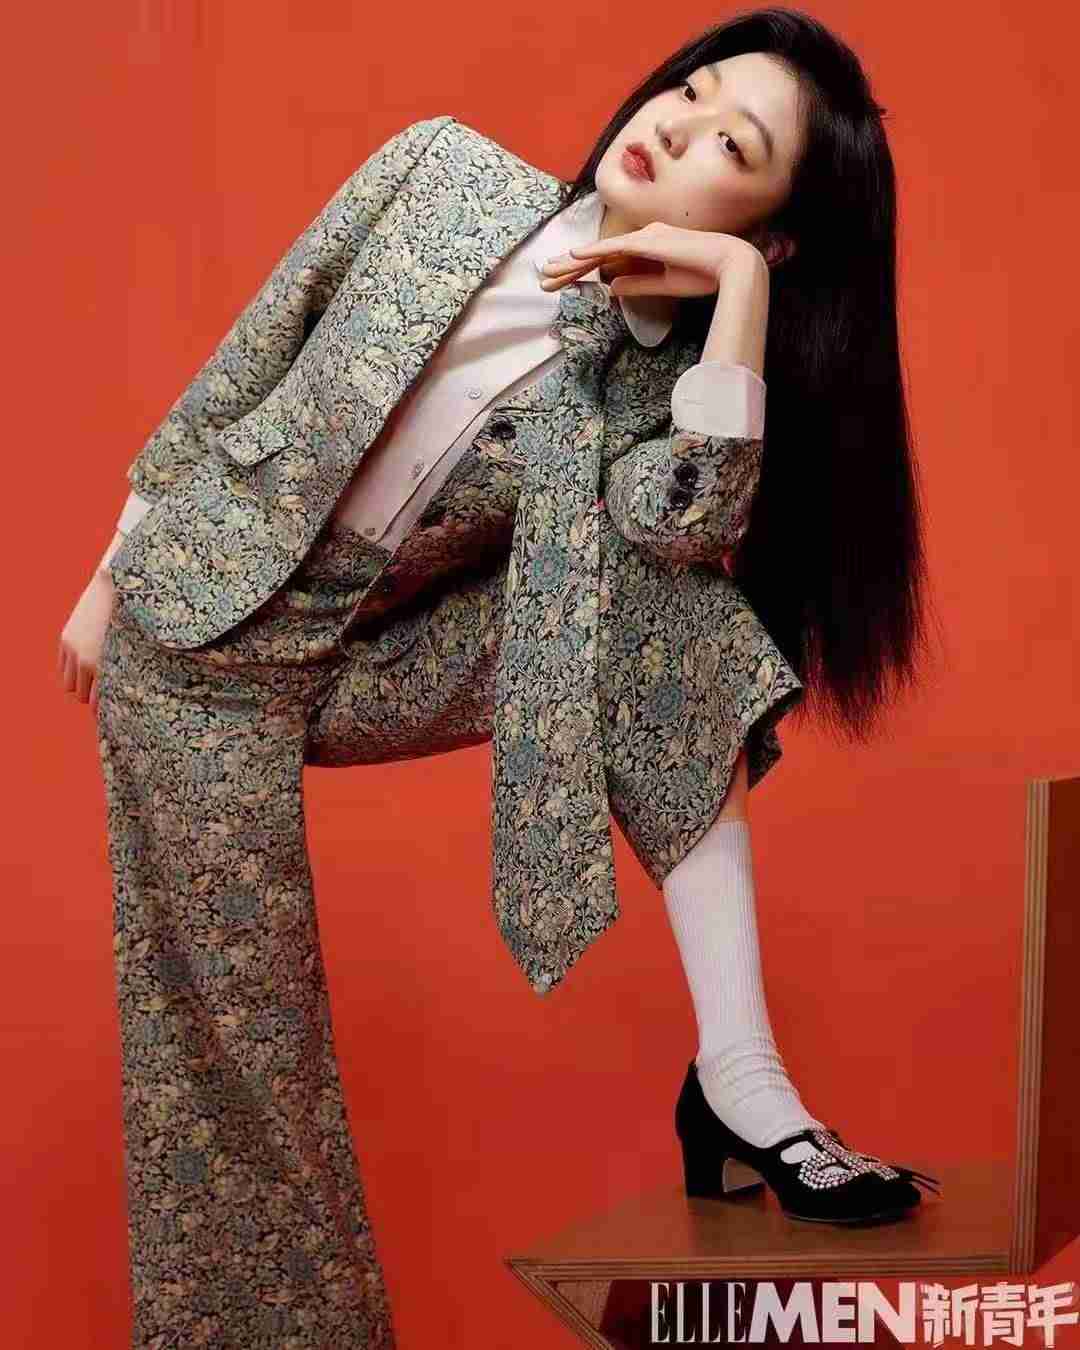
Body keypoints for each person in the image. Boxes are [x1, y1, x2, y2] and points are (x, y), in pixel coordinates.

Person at [59, 7, 938, 1345]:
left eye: (732, 146)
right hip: (199, 650)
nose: (675, 128)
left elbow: (688, 526)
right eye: (690, 91)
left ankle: (742, 1071)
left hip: (369, 659)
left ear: (767, 234)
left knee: (666, 594)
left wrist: (739, 301)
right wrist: (115, 570)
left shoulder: (655, 383)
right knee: (245, 1062)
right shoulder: (441, 170)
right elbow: (253, 351)